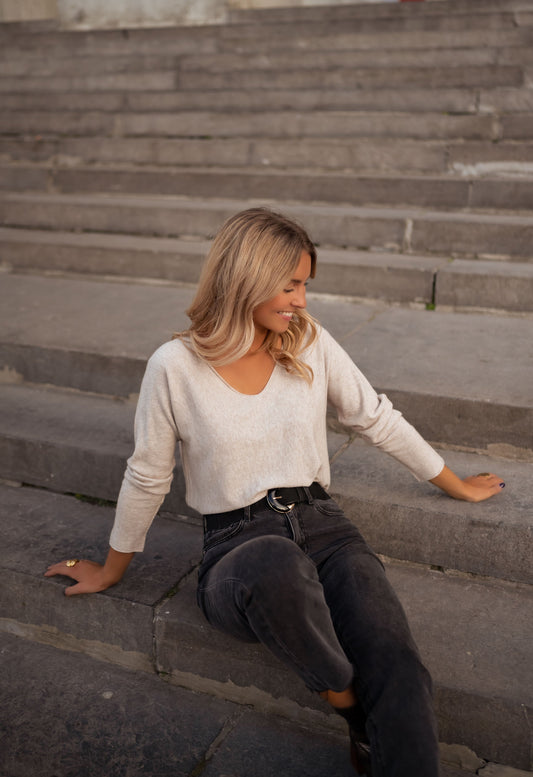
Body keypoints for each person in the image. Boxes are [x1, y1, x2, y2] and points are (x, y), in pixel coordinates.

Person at [46, 208, 505, 777]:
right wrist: (111, 570)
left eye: (305, 285)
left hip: (326, 528)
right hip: (239, 548)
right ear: (248, 277)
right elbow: (148, 474)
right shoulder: (174, 366)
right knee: (275, 563)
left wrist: (454, 483)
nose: (302, 301)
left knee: (399, 666)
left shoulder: (309, 341)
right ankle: (348, 702)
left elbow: (374, 417)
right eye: (290, 285)